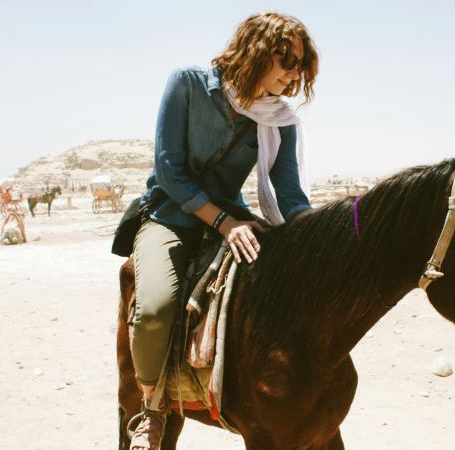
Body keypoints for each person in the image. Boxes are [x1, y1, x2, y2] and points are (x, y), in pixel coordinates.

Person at [127, 11, 319, 450]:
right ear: (255, 49)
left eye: (299, 64)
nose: (292, 73)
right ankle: (150, 408)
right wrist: (225, 223)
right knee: (156, 309)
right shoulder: (188, 85)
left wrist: (317, 234)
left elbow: (287, 190)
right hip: (169, 216)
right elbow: (170, 171)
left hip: (232, 217)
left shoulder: (278, 117)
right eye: (285, 59)